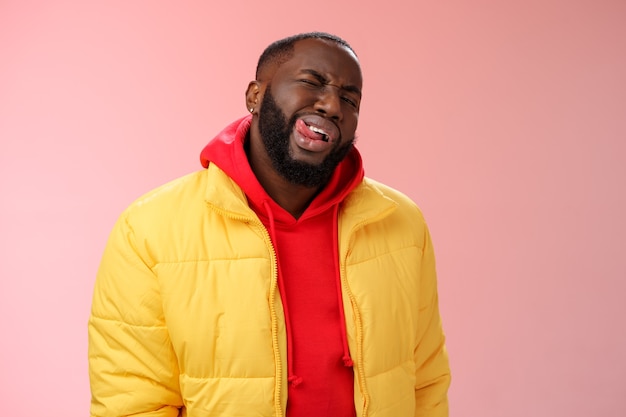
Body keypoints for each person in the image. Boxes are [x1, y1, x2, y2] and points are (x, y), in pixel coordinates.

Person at [88, 32, 451, 417]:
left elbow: (426, 380)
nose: (331, 105)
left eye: (350, 99)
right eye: (312, 82)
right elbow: (131, 400)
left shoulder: (401, 222)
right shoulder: (149, 228)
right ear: (255, 96)